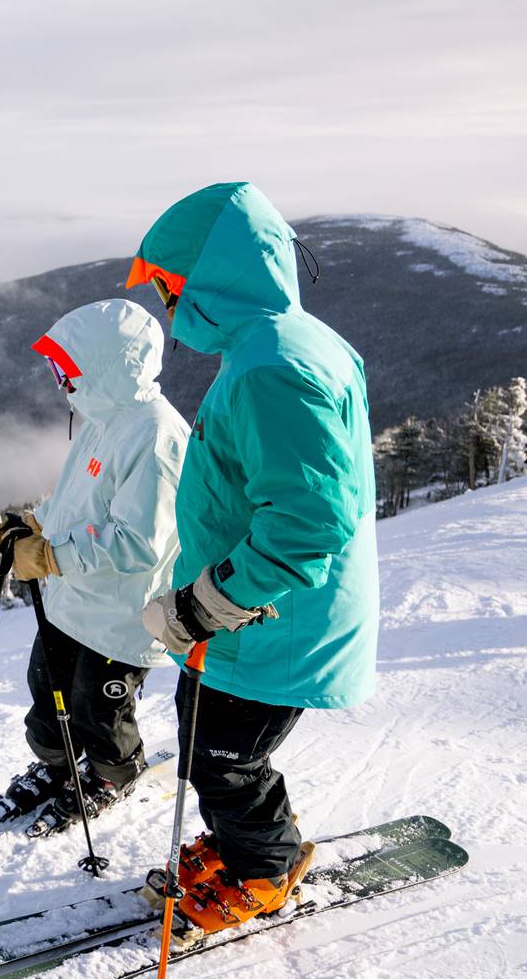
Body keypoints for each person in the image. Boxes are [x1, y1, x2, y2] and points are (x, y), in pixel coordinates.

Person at [130, 182, 379, 933]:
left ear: (214, 276)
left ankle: (265, 866)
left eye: (170, 286)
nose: (168, 306)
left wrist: (208, 603)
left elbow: (308, 520)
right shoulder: (274, 345)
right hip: (258, 611)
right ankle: (246, 841)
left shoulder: (275, 364)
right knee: (210, 740)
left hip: (273, 615)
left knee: (223, 756)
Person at [0, 298, 188, 832]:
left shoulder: (158, 436)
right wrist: (35, 524)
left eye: (65, 368)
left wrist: (49, 556)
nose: (60, 381)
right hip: (71, 597)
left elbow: (138, 541)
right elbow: (75, 500)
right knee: (45, 687)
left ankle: (110, 773)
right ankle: (56, 765)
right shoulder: (100, 419)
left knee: (97, 709)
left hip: (122, 611)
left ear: (106, 365)